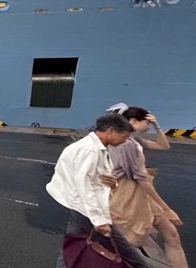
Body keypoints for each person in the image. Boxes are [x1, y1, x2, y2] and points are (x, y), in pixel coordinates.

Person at [46, 112, 147, 268]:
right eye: (124, 136)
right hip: (84, 208)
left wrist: (112, 184)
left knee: (76, 246)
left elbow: (92, 179)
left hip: (86, 207)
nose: (124, 141)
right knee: (77, 248)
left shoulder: (97, 148)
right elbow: (84, 185)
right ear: (111, 130)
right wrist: (99, 220)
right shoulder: (90, 150)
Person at [109, 106, 187, 267]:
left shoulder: (134, 141)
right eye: (147, 123)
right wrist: (166, 208)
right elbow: (141, 180)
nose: (148, 127)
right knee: (129, 243)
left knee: (171, 235)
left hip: (144, 195)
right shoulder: (125, 145)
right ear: (133, 121)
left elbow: (163, 146)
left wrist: (157, 126)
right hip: (128, 196)